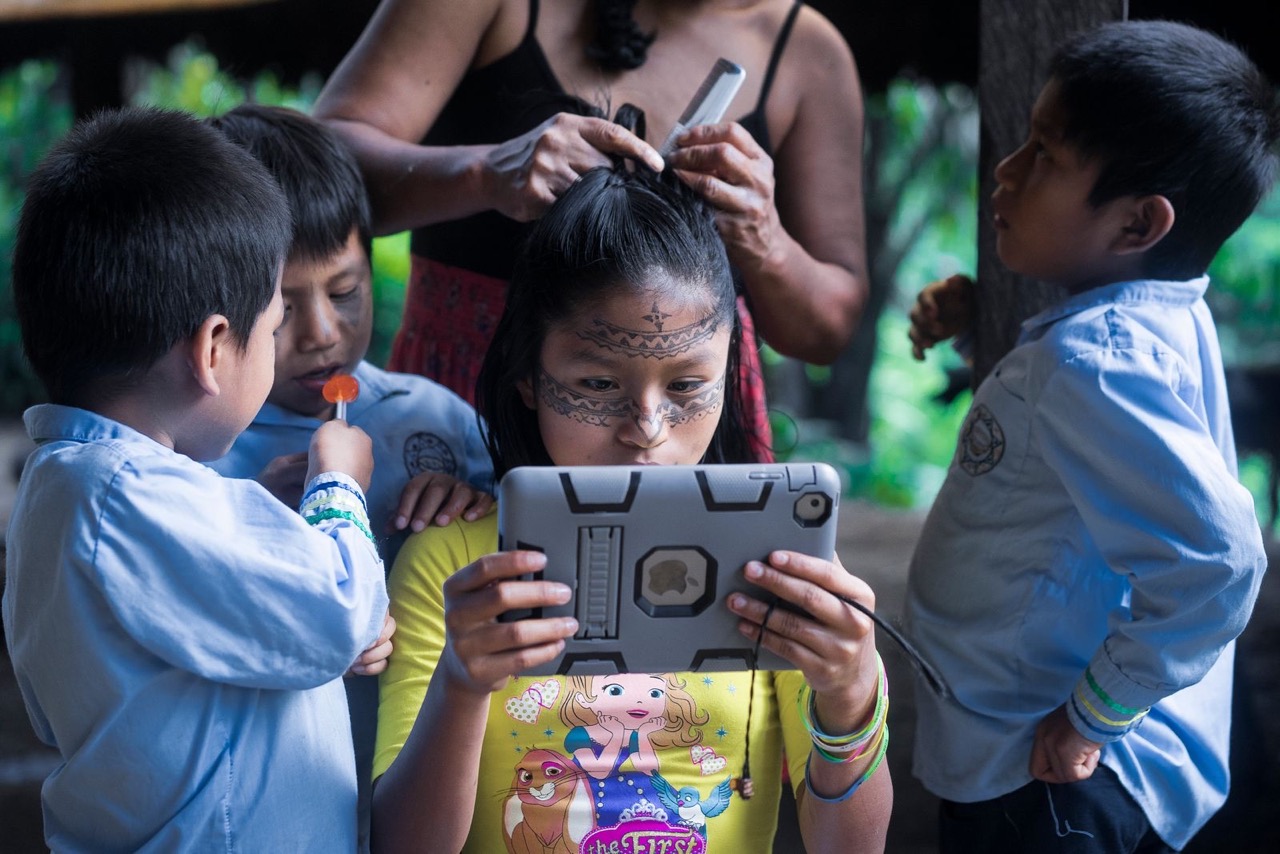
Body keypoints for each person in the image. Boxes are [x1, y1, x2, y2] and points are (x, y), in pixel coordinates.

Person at [369, 154, 891, 853]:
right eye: (596, 381)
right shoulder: (457, 565)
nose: (645, 426)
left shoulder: (778, 566)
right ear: (527, 375)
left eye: (685, 387)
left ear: (730, 372)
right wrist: (461, 688)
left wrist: (851, 693)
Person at [903, 20, 1277, 853]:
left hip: (1047, 778)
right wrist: (981, 332)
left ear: (1139, 225)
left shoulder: (1094, 362)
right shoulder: (1142, 323)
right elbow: (1068, 453)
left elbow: (1220, 562)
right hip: (1036, 763)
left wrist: (1093, 715)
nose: (1006, 170)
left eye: (1044, 154)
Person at [1, 106, 392, 850]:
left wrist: (270, 514)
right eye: (273, 324)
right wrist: (337, 486)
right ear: (214, 349)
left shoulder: (65, 489)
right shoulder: (126, 500)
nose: (284, 344)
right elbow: (342, 615)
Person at [312, 0, 869, 459]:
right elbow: (314, 169)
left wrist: (764, 239)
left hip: (682, 422)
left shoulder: (809, 53)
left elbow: (826, 329)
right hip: (466, 400)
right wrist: (484, 173)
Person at [205, 102, 496, 853]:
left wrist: (476, 512)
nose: (324, 334)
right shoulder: (196, 449)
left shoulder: (438, 421)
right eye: (281, 309)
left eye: (344, 290)